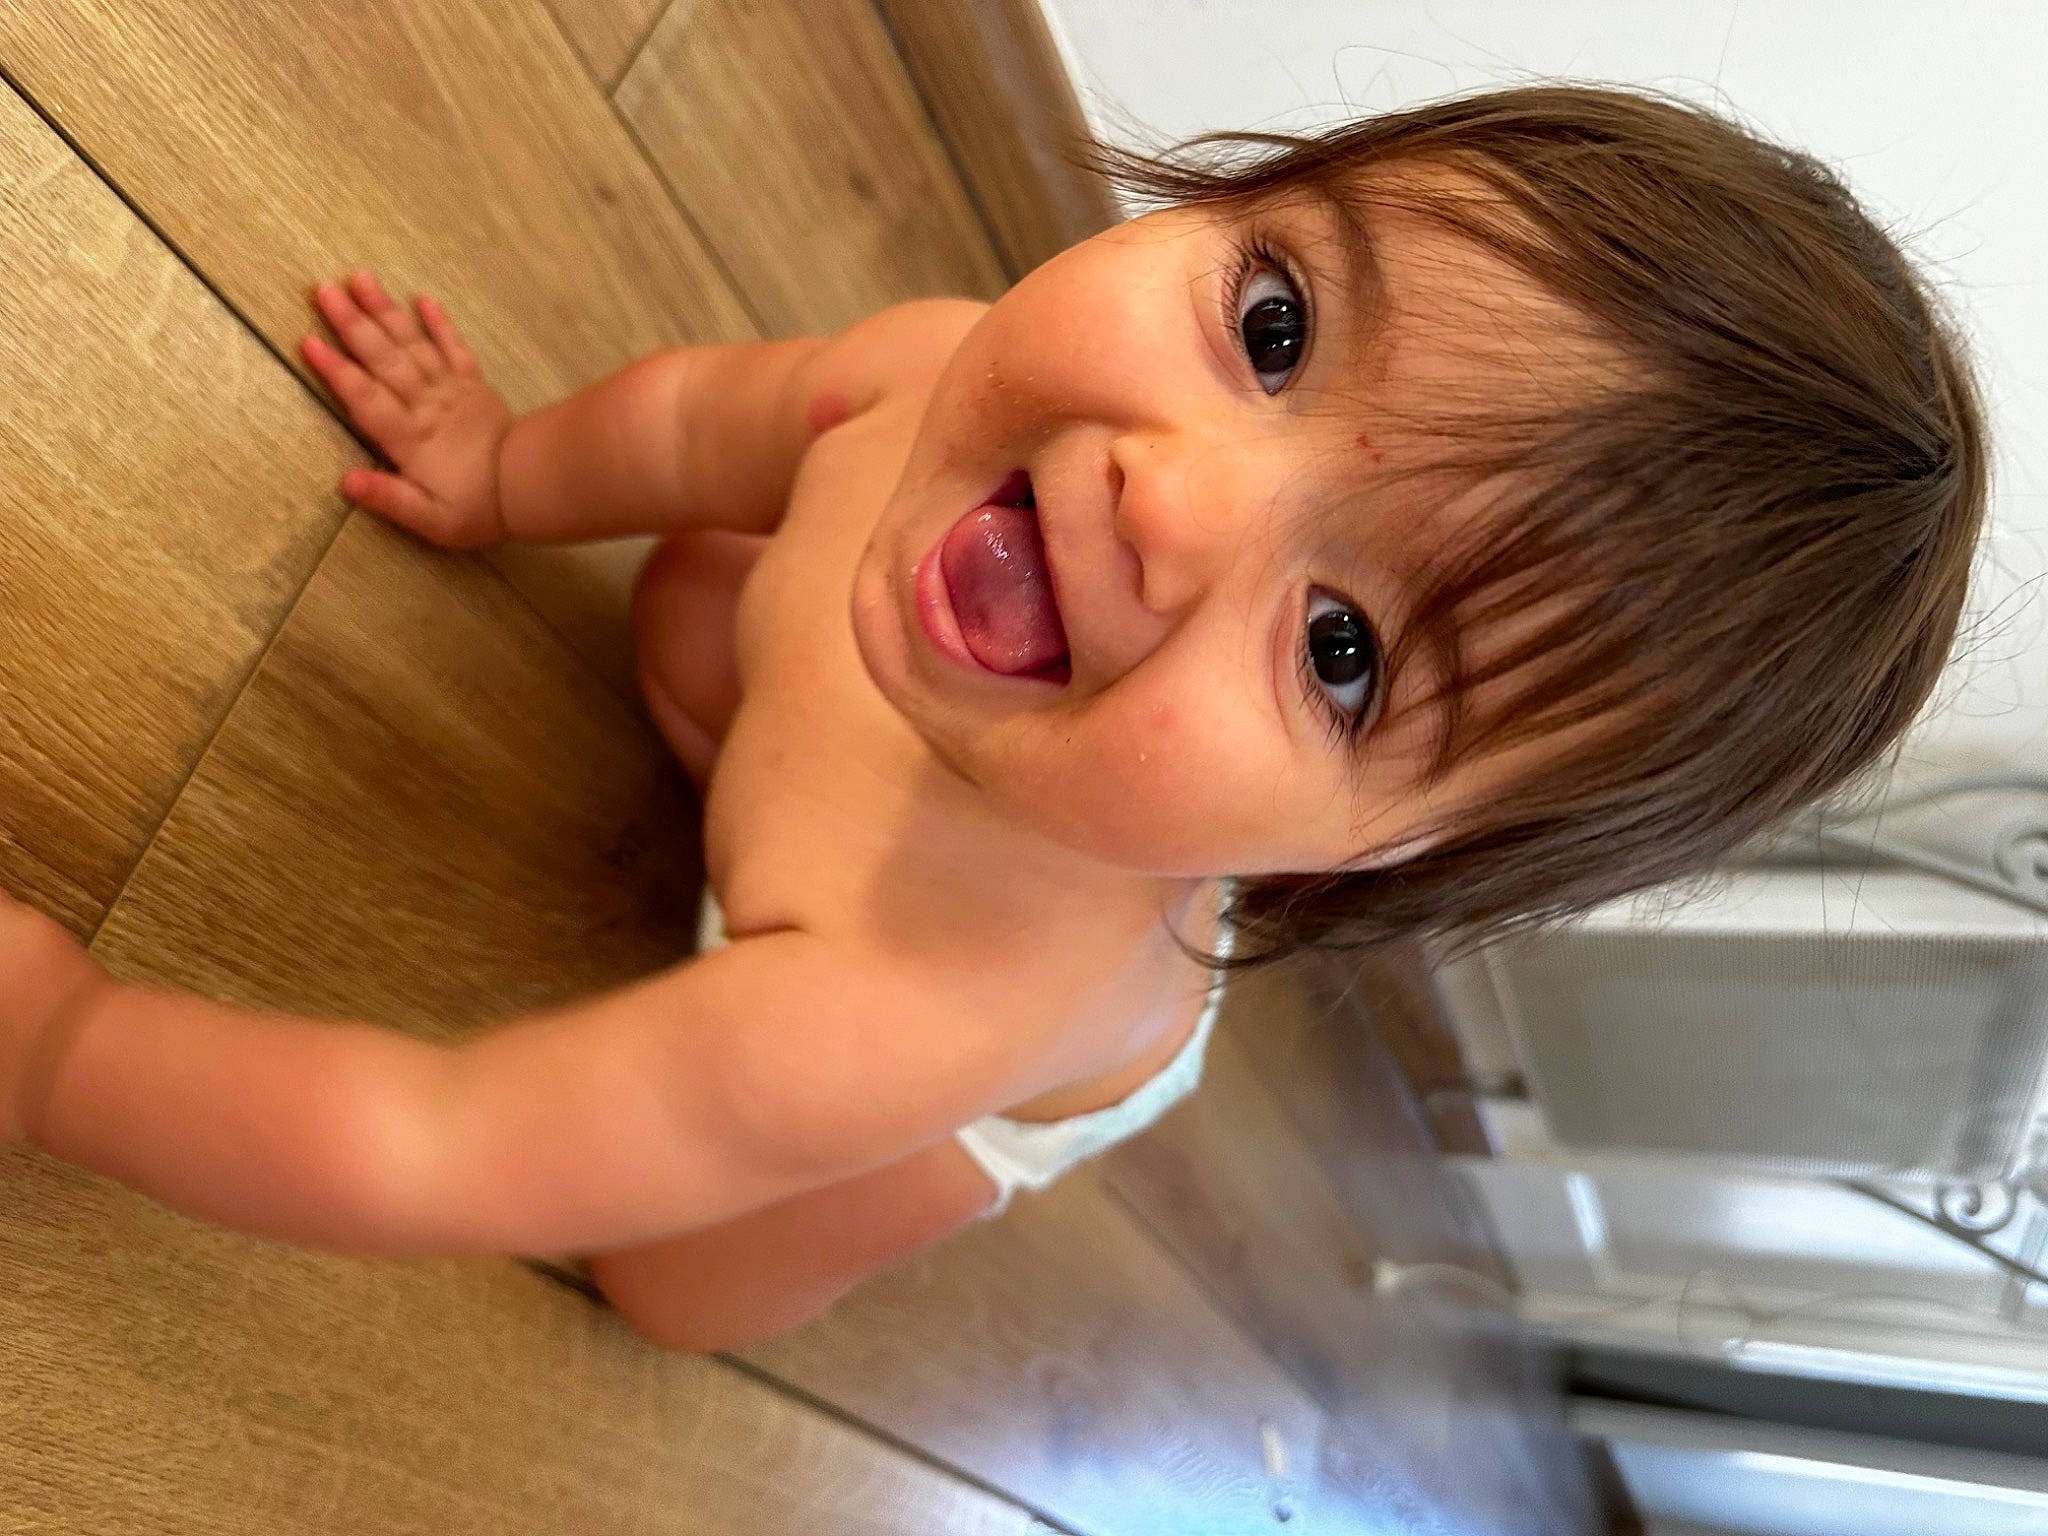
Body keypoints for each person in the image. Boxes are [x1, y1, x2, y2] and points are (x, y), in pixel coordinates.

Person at [0, 86, 1988, 1354]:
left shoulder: (924, 1013)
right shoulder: (931, 382)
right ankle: (743, 799)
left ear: (1374, 854)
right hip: (827, 851)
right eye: (1276, 326)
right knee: (703, 591)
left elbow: (447, 1142)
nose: (1170, 494)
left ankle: (749, 1013)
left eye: (1345, 653)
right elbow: (703, 419)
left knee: (669, 1271)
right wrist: (504, 463)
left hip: (924, 1083)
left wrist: (70, 1054)